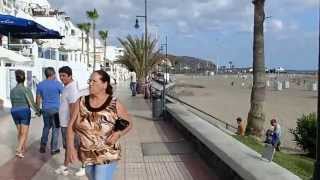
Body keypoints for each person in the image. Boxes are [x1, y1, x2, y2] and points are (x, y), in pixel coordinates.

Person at [67, 70, 132, 180]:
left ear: (104, 84)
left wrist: (118, 134)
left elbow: (129, 123)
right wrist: (70, 148)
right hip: (86, 154)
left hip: (107, 152)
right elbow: (71, 127)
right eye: (90, 81)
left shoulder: (114, 103)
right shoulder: (81, 101)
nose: (90, 83)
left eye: (94, 81)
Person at [54, 66, 85, 176]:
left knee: (75, 146)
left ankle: (84, 166)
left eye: (64, 76)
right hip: (64, 123)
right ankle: (65, 166)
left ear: (70, 76)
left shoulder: (71, 88)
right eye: (60, 75)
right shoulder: (67, 87)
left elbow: (73, 107)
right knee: (67, 146)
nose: (61, 78)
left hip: (69, 124)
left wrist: (72, 126)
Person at [10, 70, 40, 158]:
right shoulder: (26, 90)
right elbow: (31, 103)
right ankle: (19, 149)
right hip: (24, 111)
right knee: (24, 133)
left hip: (14, 111)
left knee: (19, 132)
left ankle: (22, 150)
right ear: (24, 79)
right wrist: (38, 111)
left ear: (16, 79)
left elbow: (12, 102)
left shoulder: (12, 91)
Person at [36, 67, 63, 155]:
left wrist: (38, 110)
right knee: (56, 128)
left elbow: (38, 99)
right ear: (53, 74)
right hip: (55, 110)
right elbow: (64, 95)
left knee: (46, 127)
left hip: (45, 109)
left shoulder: (40, 84)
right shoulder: (58, 84)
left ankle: (43, 145)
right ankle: (53, 148)